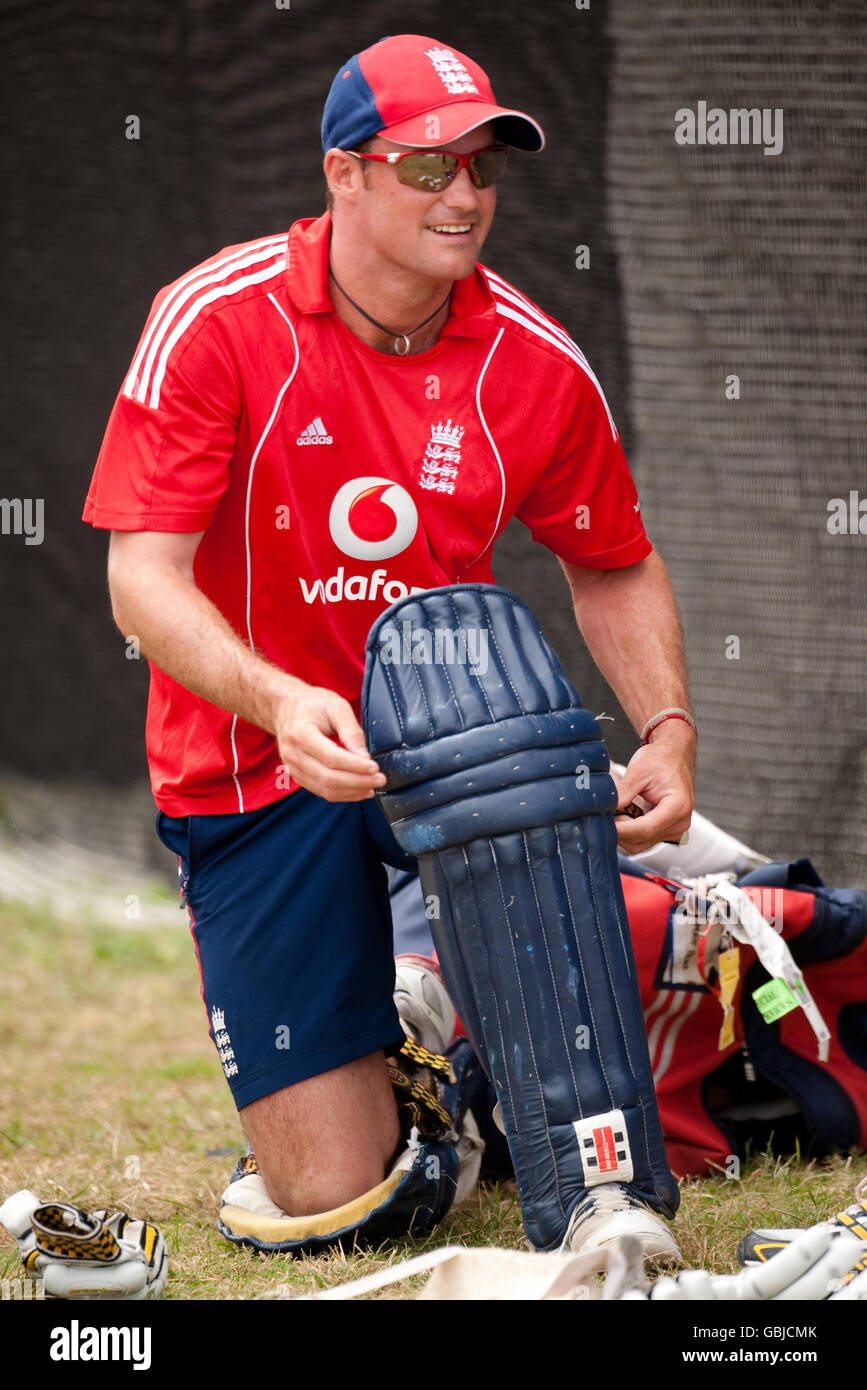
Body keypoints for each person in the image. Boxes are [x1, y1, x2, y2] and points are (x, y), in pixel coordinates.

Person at [82, 33, 696, 1257]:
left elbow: (611, 557)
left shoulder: (532, 353)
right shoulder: (212, 318)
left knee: (508, 746)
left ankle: (595, 1159)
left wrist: (670, 730)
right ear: (343, 174)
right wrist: (278, 701)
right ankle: (442, 1058)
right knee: (333, 1197)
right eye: (426, 168)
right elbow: (138, 583)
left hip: (445, 742)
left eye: (482, 168)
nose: (463, 195)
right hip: (255, 759)